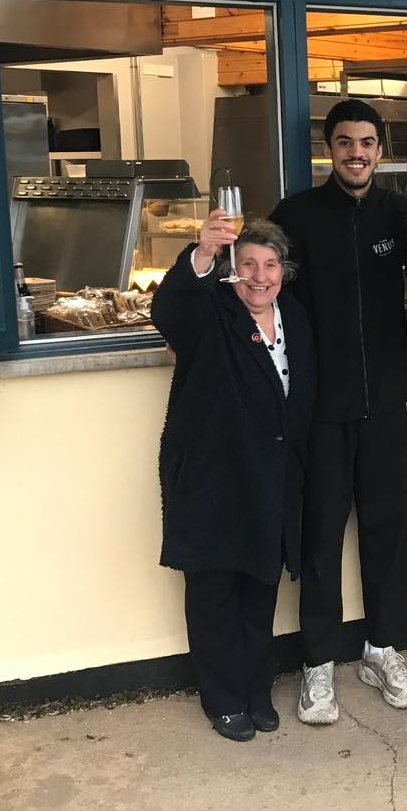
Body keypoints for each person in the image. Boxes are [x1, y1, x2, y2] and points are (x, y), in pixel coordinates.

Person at [270, 98, 407, 726]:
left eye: (367, 143)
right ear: (330, 149)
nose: (356, 152)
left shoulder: (399, 210)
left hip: (383, 399)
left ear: (381, 151)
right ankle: (317, 661)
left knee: (386, 527)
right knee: (321, 531)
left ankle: (383, 647)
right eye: (345, 142)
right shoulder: (295, 214)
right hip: (319, 404)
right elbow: (266, 288)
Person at [152, 214, 315, 741]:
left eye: (270, 265)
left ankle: (256, 690)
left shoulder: (293, 314)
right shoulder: (210, 312)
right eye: (247, 264)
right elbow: (170, 313)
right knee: (214, 592)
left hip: (271, 478)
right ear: (230, 271)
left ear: (283, 272)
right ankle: (223, 699)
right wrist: (200, 254)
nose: (259, 276)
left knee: (259, 590)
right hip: (214, 476)